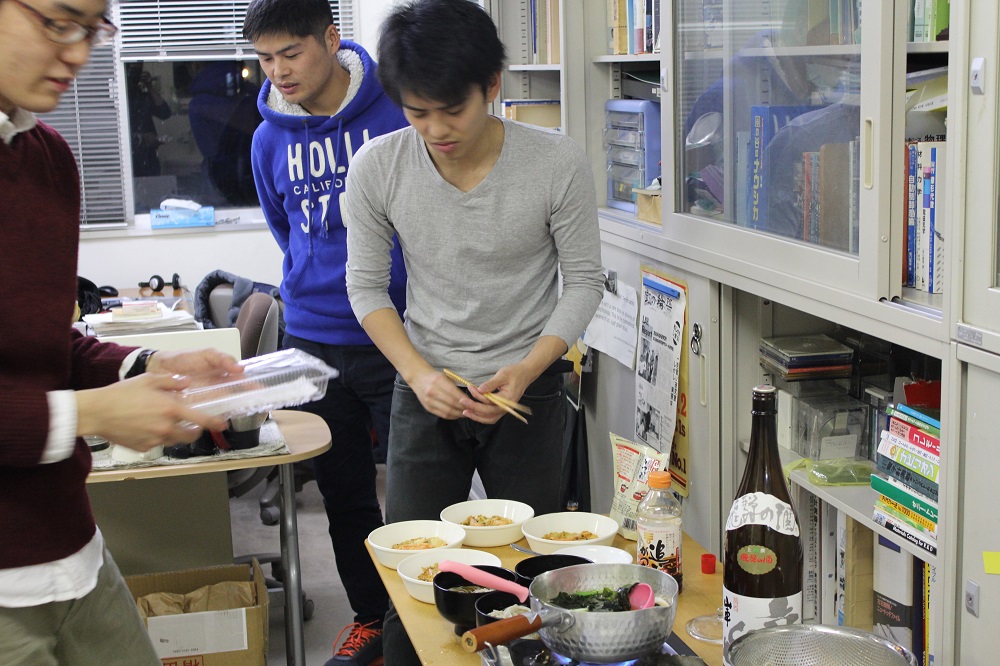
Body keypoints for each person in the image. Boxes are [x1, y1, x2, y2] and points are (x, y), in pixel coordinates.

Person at [343, 0, 604, 661]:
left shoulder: (556, 162)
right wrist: (417, 375)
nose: (435, 129)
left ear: (492, 85)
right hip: (426, 387)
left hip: (527, 389)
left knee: (529, 572)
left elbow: (583, 282)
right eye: (416, 112)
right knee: (411, 572)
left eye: (451, 109)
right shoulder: (378, 166)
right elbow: (366, 288)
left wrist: (529, 366)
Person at [0, 1, 242, 663]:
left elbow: (45, 344)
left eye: (93, 28)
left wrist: (146, 366)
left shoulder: (46, 158)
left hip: (71, 551)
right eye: (58, 22)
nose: (79, 52)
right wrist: (92, 413)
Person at [242, 1, 408, 663]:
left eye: (291, 53)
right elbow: (286, 231)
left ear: (331, 39)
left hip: (399, 336)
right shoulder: (268, 140)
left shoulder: (395, 111)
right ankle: (372, 622)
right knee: (344, 494)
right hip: (313, 340)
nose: (278, 71)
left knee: (417, 494)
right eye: (264, 59)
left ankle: (420, 627)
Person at [126, 61, 172, 177]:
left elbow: (165, 113)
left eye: (138, 71)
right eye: (132, 70)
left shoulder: (142, 96)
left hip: (148, 158)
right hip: (128, 158)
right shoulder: (118, 98)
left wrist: (149, 86)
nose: (134, 75)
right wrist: (142, 139)